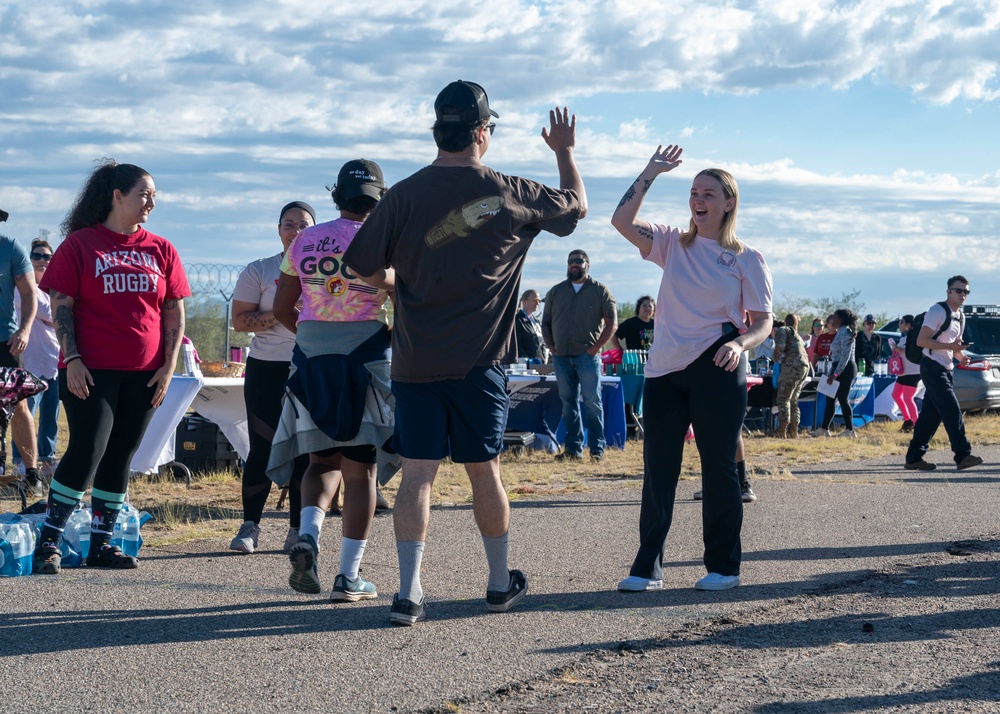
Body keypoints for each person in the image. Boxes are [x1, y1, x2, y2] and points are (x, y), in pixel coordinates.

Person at [343, 80, 586, 625]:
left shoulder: (402, 194)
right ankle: (499, 584)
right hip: (480, 365)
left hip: (414, 363)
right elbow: (576, 209)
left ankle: (409, 594)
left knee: (417, 474)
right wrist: (565, 153)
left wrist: (398, 278)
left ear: (438, 130)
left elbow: (358, 263)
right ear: (482, 133)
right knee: (485, 471)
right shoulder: (509, 191)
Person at [610, 144, 772, 593]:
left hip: (718, 363)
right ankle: (647, 568)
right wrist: (650, 172)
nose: (698, 199)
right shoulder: (671, 243)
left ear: (729, 202)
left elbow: (762, 323)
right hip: (664, 371)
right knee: (658, 468)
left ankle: (723, 566)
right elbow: (621, 222)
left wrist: (741, 343)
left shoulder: (746, 257)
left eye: (708, 193)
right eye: (694, 192)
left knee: (717, 466)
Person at [32, 160, 190, 574]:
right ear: (117, 196)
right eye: (143, 194)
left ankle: (101, 544)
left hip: (146, 373)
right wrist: (74, 360)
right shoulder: (81, 245)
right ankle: (48, 542)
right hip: (90, 371)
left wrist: (168, 366)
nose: (150, 202)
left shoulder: (161, 249)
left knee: (121, 455)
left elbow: (173, 313)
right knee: (87, 449)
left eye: (154, 195)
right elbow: (60, 307)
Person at [268, 160, 393, 602]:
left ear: (337, 196)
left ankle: (307, 536)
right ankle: (348, 576)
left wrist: (312, 331)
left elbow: (285, 305)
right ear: (380, 200)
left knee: (321, 463)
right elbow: (407, 297)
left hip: (312, 355)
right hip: (366, 355)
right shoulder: (382, 238)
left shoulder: (303, 239)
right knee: (361, 473)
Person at [228, 201, 315, 555]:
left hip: (309, 366)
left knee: (304, 450)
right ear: (278, 229)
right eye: (288, 224)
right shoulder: (259, 270)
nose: (295, 231)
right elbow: (240, 321)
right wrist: (279, 314)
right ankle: (250, 525)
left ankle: (297, 529)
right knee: (261, 448)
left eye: (303, 225)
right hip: (266, 367)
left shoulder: (324, 269)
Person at [542, 249, 617, 462]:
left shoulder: (600, 291)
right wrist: (551, 347)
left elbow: (612, 323)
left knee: (593, 402)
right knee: (568, 403)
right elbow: (546, 322)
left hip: (587, 357)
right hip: (561, 357)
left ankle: (597, 450)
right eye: (570, 261)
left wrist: (596, 348)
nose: (574, 264)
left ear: (587, 265)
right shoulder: (556, 292)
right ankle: (573, 450)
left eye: (579, 261)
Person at [904, 276, 983, 471]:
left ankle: (914, 457)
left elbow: (953, 347)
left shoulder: (960, 317)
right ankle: (963, 454)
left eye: (966, 292)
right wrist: (950, 346)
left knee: (931, 416)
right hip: (932, 367)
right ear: (948, 292)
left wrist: (961, 356)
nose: (963, 295)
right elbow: (922, 341)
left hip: (946, 369)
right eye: (959, 291)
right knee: (951, 408)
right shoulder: (937, 311)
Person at [13, 239, 61, 481]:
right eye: (37, 256)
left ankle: (47, 462)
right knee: (24, 415)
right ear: (29, 260)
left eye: (47, 257)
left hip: (54, 361)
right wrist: (59, 314)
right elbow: (55, 314)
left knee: (51, 418)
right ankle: (22, 464)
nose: (42, 260)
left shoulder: (54, 289)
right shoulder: (22, 289)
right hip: (30, 362)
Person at [0, 224, 42, 498]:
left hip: (5, 340)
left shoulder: (10, 247)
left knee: (18, 405)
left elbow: (29, 293)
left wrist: (25, 329)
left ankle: (32, 475)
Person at [812, 308, 859, 438]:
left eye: (835, 316)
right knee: (830, 397)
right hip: (837, 366)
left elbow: (845, 355)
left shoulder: (846, 332)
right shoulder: (841, 331)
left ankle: (850, 430)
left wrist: (836, 374)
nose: (832, 319)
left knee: (843, 398)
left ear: (841, 319)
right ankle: (824, 428)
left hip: (845, 367)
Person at [770, 313, 810, 438]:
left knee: (783, 398)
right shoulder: (797, 335)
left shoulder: (783, 330)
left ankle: (782, 429)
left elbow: (780, 347)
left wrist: (774, 359)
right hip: (804, 367)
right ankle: (794, 431)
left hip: (792, 366)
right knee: (793, 400)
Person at [890, 314, 921, 433]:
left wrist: (899, 350)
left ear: (908, 324)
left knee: (908, 398)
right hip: (903, 371)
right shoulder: (904, 337)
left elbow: (913, 352)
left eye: (901, 322)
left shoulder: (913, 336)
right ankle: (908, 420)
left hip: (913, 371)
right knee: (896, 394)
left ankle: (917, 424)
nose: (899, 324)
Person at [514, 289, 547, 363]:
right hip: (524, 363)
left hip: (539, 363)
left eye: (539, 301)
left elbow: (543, 343)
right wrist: (526, 360)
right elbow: (516, 343)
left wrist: (543, 358)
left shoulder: (537, 322)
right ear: (524, 301)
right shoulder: (518, 320)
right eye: (534, 300)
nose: (537, 303)